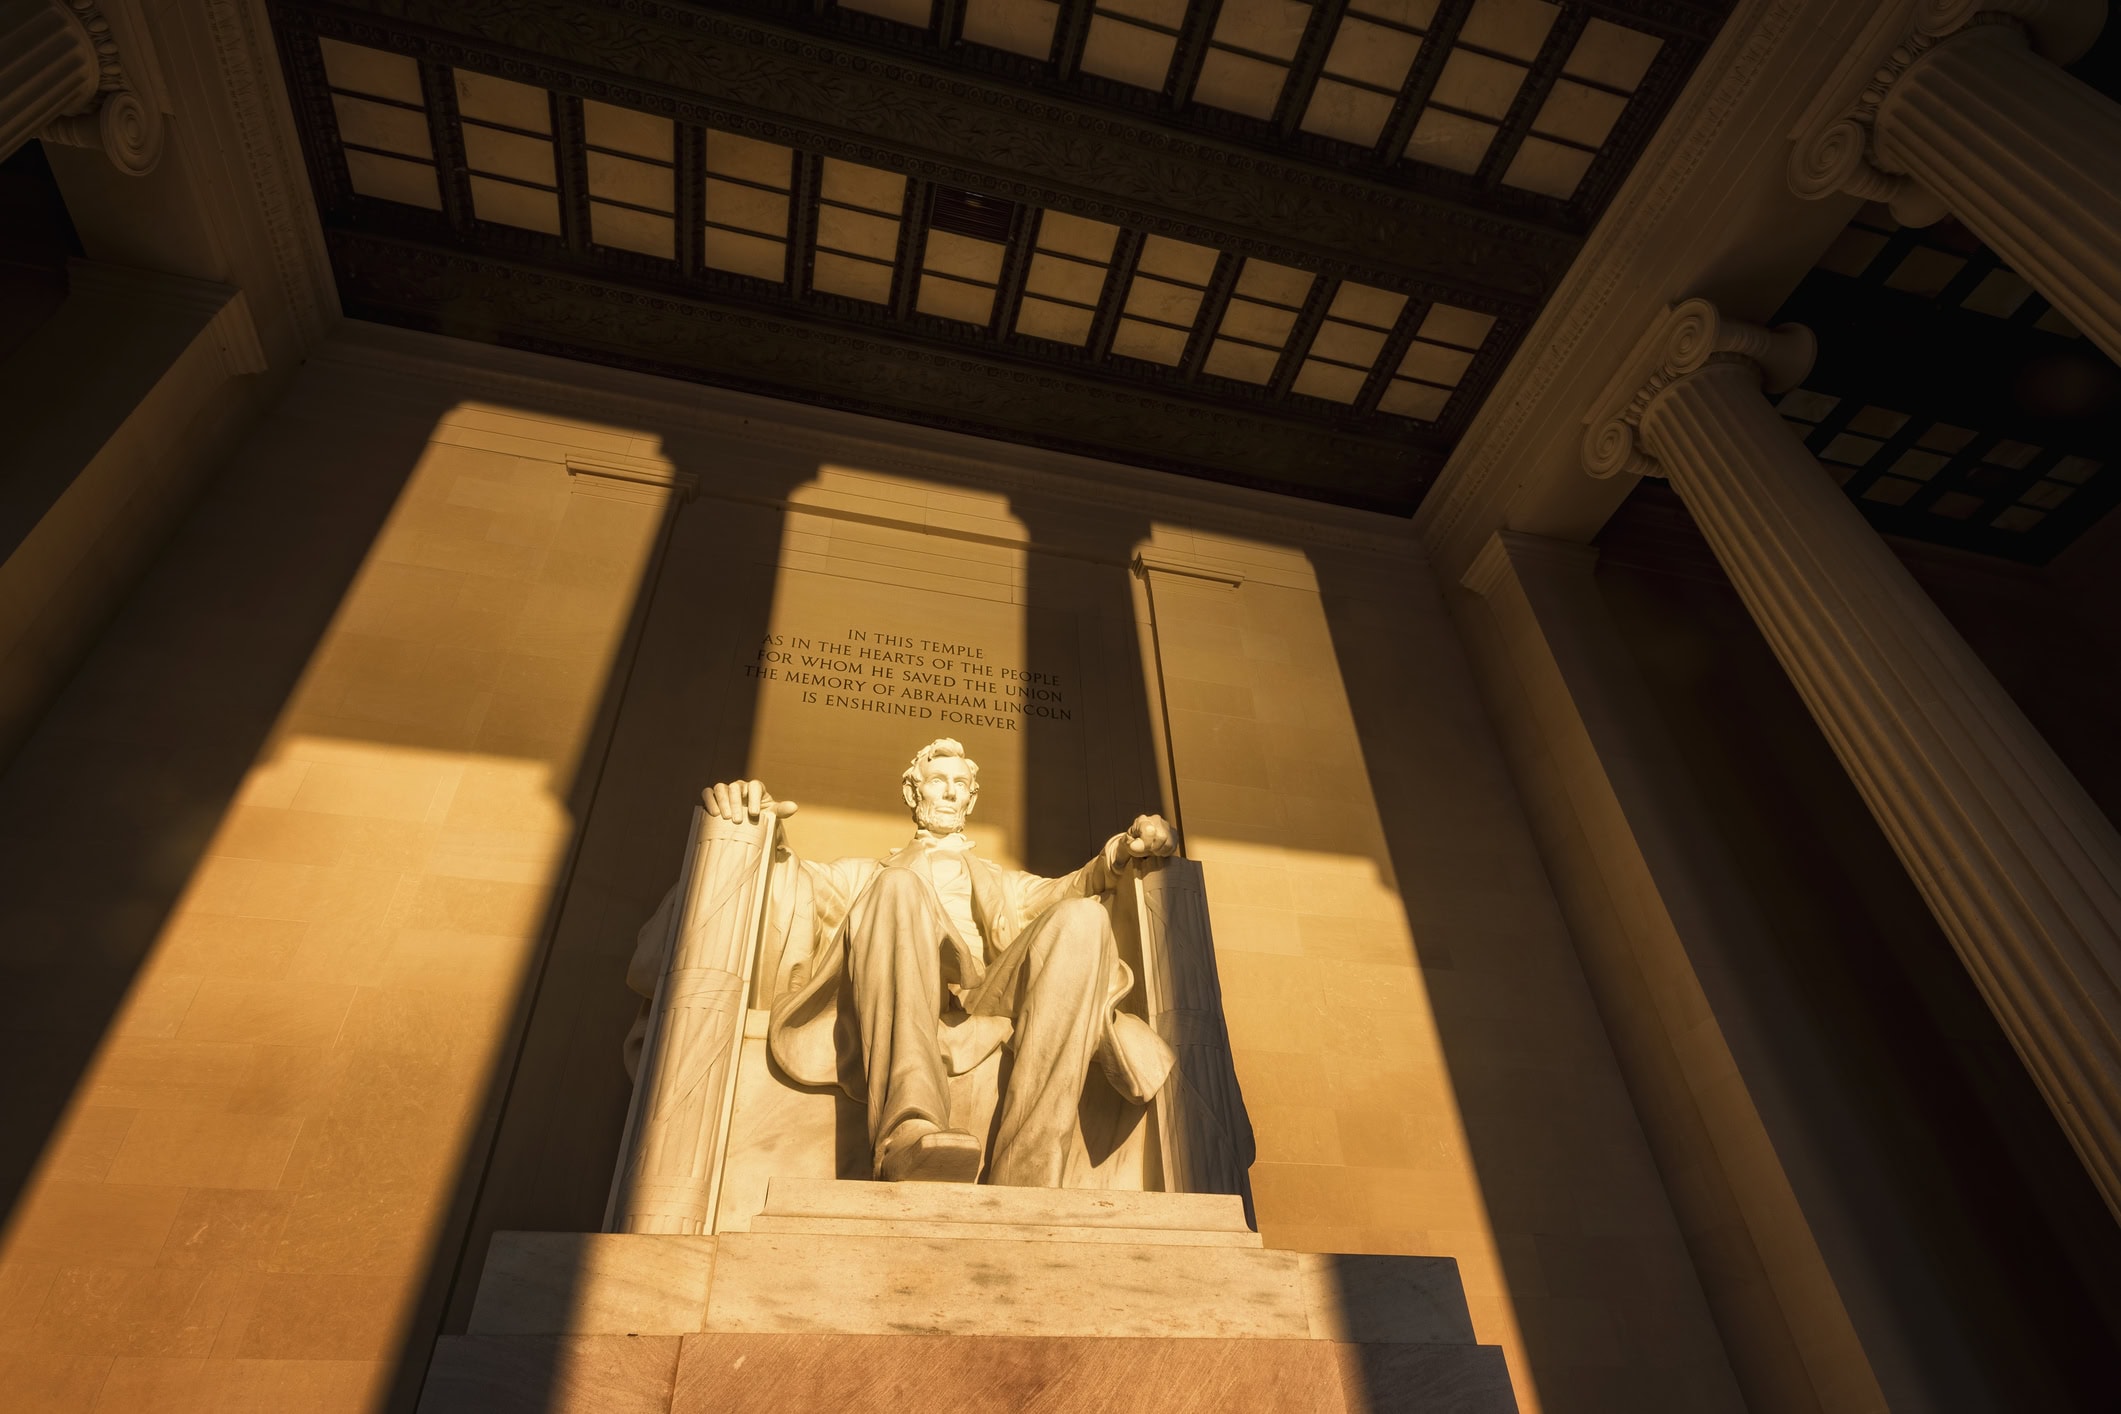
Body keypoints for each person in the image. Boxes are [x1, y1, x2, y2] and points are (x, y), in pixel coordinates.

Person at [704, 738, 1178, 1185]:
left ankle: (1029, 1165)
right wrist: (760, 822)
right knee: (897, 888)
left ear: (971, 801)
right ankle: (908, 1131)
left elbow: (1070, 887)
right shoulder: (866, 875)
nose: (950, 792)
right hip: (905, 982)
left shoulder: (1003, 883)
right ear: (912, 791)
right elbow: (795, 877)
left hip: (986, 996)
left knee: (1083, 919)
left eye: (961, 785)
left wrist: (1121, 850)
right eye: (937, 780)